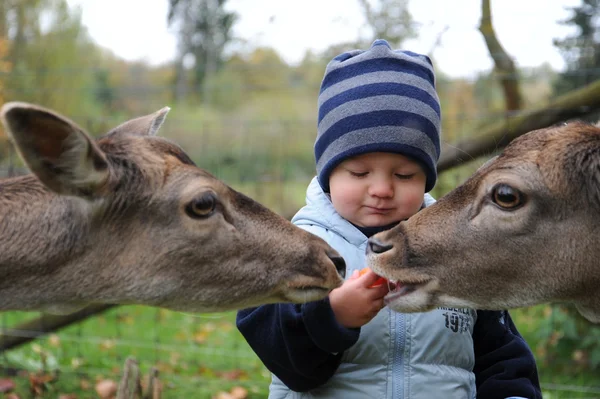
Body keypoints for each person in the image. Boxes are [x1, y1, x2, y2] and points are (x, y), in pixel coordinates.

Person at [237, 39, 542, 399]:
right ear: (328, 172)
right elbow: (289, 366)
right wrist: (331, 317)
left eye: (404, 175)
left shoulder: (458, 251)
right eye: (359, 171)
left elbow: (502, 357)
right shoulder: (294, 250)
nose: (381, 189)